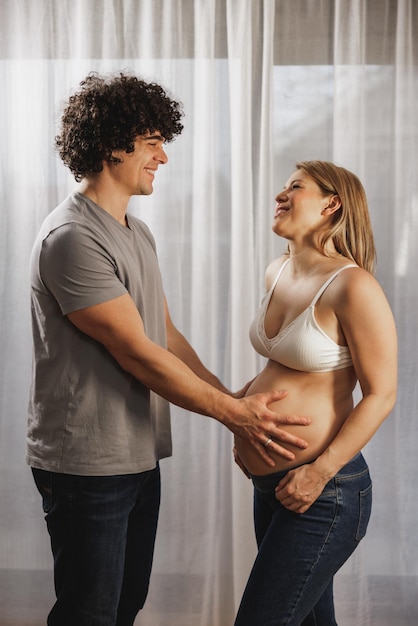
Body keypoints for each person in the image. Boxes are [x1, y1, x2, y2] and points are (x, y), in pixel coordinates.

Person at [26, 72, 310, 626]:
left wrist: (229, 398)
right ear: (113, 143)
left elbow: (165, 334)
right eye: (153, 141)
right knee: (91, 612)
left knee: (125, 604)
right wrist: (235, 415)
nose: (163, 156)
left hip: (134, 452)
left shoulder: (134, 231)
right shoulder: (72, 238)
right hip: (87, 462)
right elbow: (136, 353)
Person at [233, 160, 397, 626]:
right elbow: (277, 367)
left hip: (325, 492)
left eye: (295, 187)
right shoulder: (276, 272)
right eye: (282, 186)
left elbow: (381, 395)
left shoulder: (352, 285)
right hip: (270, 486)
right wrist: (244, 418)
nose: (281, 194)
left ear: (331, 204)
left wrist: (318, 473)